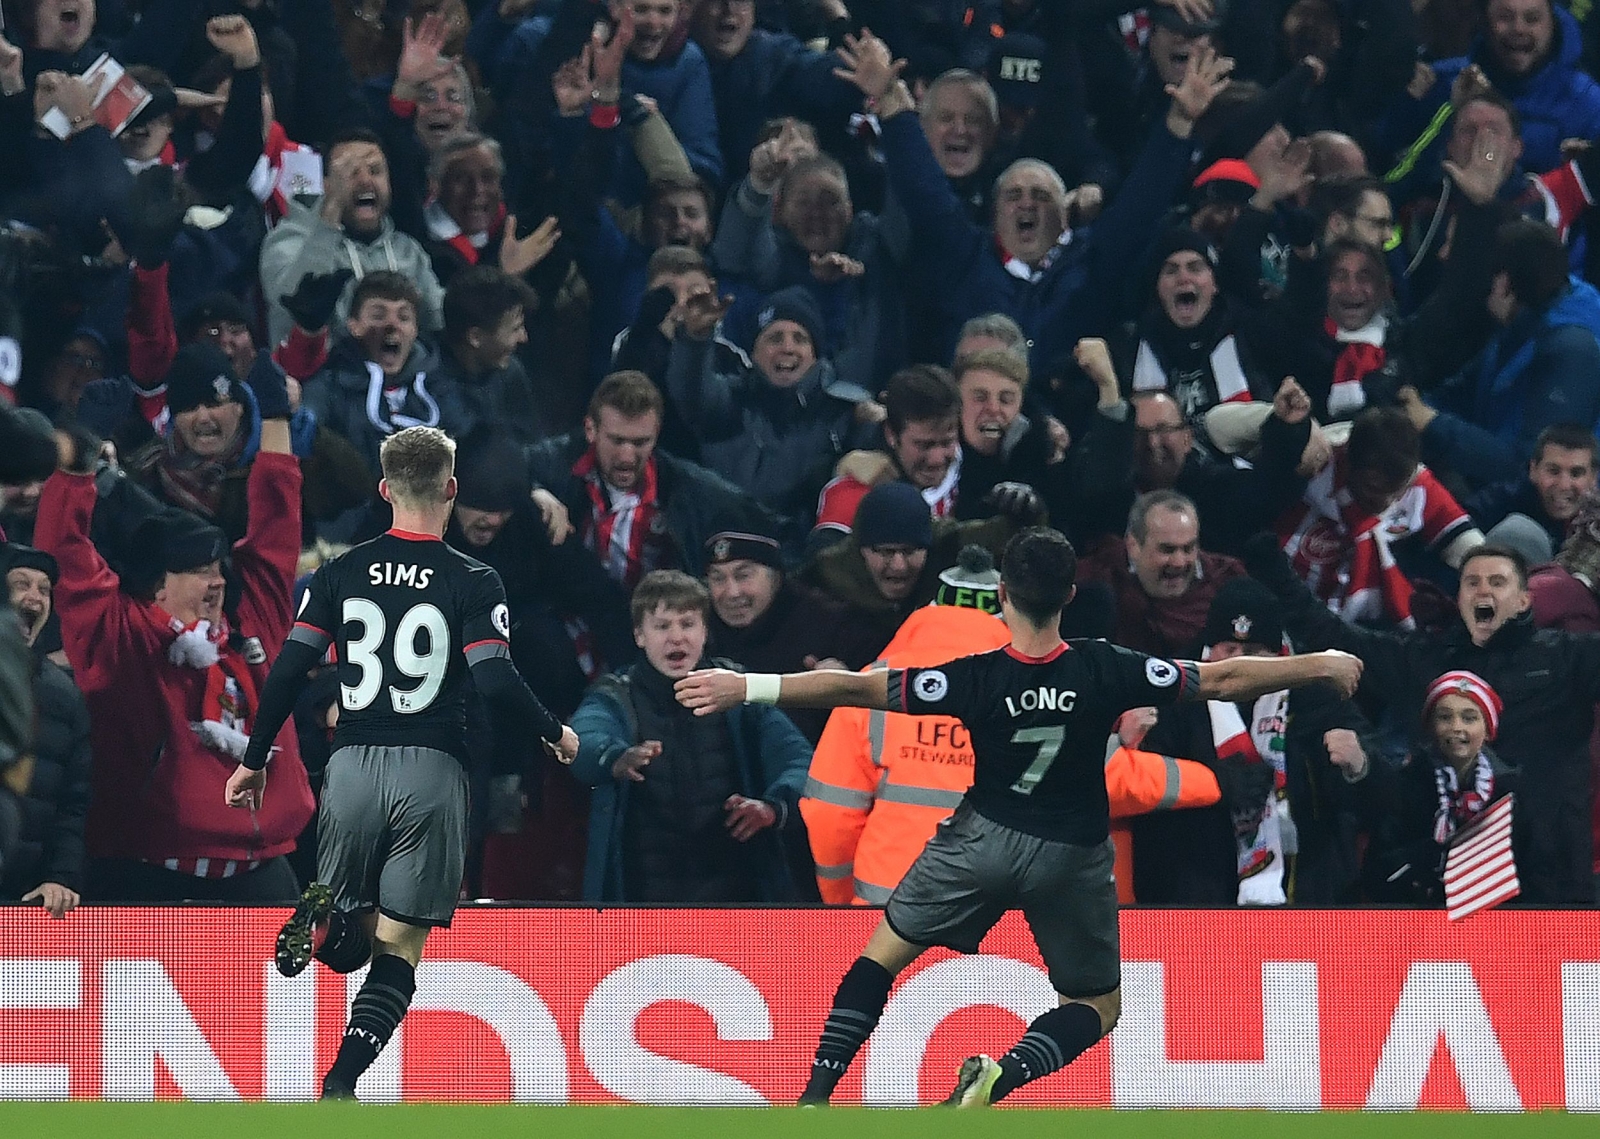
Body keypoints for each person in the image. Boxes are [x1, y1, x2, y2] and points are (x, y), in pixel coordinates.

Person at [675, 527, 1362, 1106]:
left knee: (881, 958)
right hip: (1072, 856)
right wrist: (1319, 662)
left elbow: (856, 686)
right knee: (1096, 1006)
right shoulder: (1106, 667)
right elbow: (1221, 678)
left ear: (1001, 594)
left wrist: (748, 685)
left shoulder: (970, 676)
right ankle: (1004, 1074)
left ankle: (814, 1097)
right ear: (1068, 595)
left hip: (980, 842)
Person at [222, 425, 579, 1100]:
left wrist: (254, 756)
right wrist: (554, 730)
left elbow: (291, 669)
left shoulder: (337, 573)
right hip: (432, 767)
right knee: (398, 946)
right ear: (450, 490)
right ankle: (341, 1083)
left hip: (352, 762)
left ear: (385, 490)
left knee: (349, 935)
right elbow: (496, 677)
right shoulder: (473, 577)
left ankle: (322, 918)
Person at [1245, 536, 1600, 903]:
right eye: (1472, 582)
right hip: (1445, 882)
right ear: (1459, 597)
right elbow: (1332, 634)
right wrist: (1264, 555)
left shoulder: (1567, 659)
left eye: (1497, 582)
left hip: (1552, 877)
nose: (1483, 591)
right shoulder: (1425, 660)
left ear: (1524, 599)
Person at [569, 569, 811, 902]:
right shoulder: (615, 696)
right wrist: (615, 758)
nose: (676, 638)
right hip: (641, 904)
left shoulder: (742, 694)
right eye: (662, 626)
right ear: (639, 635)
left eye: (687, 624)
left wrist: (772, 807)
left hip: (737, 900)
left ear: (704, 630)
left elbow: (799, 761)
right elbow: (581, 740)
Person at [1363, 670, 1518, 903]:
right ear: (1430, 726)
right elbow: (1378, 870)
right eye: (1445, 717)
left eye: (1469, 718)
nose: (1456, 727)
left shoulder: (1512, 792)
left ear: (1488, 730)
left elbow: (1532, 871)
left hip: (1497, 922)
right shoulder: (1404, 784)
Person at [0, 544, 91, 918]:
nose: (34, 597)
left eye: (44, 589)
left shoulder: (64, 695)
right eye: (21, 584)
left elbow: (74, 800)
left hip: (23, 897)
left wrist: (62, 876)